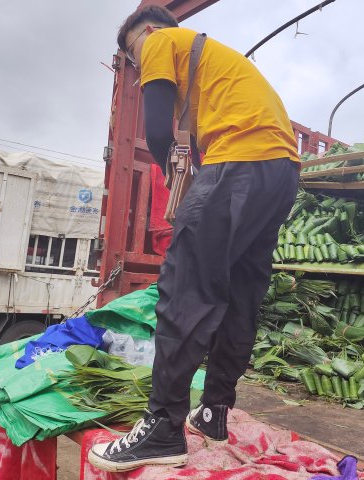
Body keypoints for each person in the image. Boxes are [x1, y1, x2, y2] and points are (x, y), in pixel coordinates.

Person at [88, 5, 300, 472]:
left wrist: (179, 179)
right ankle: (214, 411)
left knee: (186, 289)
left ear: (142, 35)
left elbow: (158, 129)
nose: (138, 63)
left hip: (240, 162)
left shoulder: (162, 42)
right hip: (280, 171)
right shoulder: (211, 61)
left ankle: (163, 428)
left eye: (132, 55)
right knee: (240, 294)